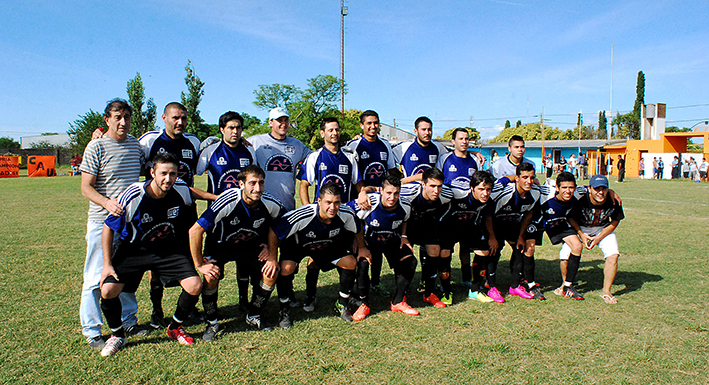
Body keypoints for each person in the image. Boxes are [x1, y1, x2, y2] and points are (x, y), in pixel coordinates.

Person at [98, 153, 202, 356]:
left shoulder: (180, 189)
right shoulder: (134, 195)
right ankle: (117, 335)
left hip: (167, 249)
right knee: (108, 290)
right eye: (163, 173)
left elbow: (194, 195)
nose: (168, 179)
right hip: (134, 249)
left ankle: (175, 328)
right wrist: (107, 265)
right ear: (152, 172)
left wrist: (220, 198)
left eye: (173, 174)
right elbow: (108, 227)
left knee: (195, 285)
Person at [188, 165, 286, 338]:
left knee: (271, 271)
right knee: (211, 276)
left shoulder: (270, 203)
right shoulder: (228, 200)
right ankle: (212, 322)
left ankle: (254, 314)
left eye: (261, 183)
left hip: (250, 245)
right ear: (241, 184)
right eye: (252, 183)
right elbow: (195, 231)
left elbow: (280, 226)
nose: (257, 188)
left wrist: (271, 251)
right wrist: (199, 264)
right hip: (220, 245)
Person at [139, 102, 212, 329]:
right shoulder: (149, 141)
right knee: (156, 258)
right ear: (164, 118)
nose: (179, 122)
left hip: (186, 206)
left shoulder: (194, 142)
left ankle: (190, 307)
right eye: (174, 118)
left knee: (189, 254)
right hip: (156, 206)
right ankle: (156, 310)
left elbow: (213, 148)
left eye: (183, 118)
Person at [79, 98, 144, 350]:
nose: (123, 122)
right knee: (96, 276)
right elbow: (86, 187)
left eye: (127, 117)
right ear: (107, 120)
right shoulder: (96, 147)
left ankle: (128, 321)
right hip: (101, 221)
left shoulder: (135, 145)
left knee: (125, 272)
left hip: (129, 223)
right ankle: (92, 330)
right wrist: (107, 203)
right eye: (117, 117)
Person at [270, 182, 369, 327]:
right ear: (319, 201)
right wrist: (272, 257)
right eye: (328, 202)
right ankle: (284, 310)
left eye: (336, 203)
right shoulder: (304, 215)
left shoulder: (345, 213)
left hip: (325, 243)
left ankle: (342, 303)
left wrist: (362, 247)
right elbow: (274, 231)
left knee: (350, 263)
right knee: (286, 268)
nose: (332, 207)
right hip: (298, 245)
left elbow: (357, 226)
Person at [346, 173, 420, 319]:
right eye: (388, 193)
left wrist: (404, 236)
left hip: (391, 241)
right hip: (369, 242)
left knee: (410, 261)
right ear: (381, 190)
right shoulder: (369, 202)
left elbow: (405, 219)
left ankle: (398, 301)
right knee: (363, 263)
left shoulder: (405, 205)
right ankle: (364, 303)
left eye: (396, 193)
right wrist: (359, 244)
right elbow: (348, 215)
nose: (392, 197)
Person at [345, 110, 398, 297]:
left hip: (382, 200)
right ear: (362, 125)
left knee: (378, 243)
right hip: (362, 201)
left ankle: (375, 283)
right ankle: (356, 286)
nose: (372, 126)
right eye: (368, 123)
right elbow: (351, 174)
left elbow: (391, 170)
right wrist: (362, 191)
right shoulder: (354, 145)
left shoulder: (385, 146)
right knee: (358, 242)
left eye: (375, 123)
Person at [487, 162, 551, 302]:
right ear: (517, 178)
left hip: (512, 224)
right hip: (495, 223)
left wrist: (521, 236)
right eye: (525, 177)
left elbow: (528, 214)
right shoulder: (505, 192)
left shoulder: (535, 192)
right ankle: (490, 286)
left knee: (519, 249)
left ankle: (515, 286)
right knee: (494, 250)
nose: (529, 181)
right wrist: (492, 236)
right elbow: (488, 214)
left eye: (532, 177)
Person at [562, 175, 624, 304]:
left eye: (604, 188)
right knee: (564, 255)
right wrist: (580, 234)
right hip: (581, 228)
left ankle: (606, 291)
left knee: (613, 255)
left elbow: (615, 221)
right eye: (597, 188)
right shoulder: (580, 198)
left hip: (602, 228)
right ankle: (565, 284)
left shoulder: (614, 200)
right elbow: (570, 217)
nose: (600, 192)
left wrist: (599, 238)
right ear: (589, 189)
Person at [438, 171, 497, 302]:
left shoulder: (489, 200)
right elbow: (437, 178)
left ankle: (475, 290)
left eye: (488, 189)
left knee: (484, 251)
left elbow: (487, 216)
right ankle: (446, 291)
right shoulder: (457, 191)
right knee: (444, 253)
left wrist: (492, 236)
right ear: (472, 188)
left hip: (469, 227)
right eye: (481, 189)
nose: (485, 193)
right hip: (449, 227)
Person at [435, 128, 482, 288]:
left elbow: (479, 184)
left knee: (465, 249)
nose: (464, 142)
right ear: (453, 141)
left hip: (469, 213)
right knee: (445, 250)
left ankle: (466, 278)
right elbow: (437, 179)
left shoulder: (475, 161)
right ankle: (444, 282)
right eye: (461, 138)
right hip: (448, 213)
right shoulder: (444, 159)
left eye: (466, 139)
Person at [400, 168, 452, 307]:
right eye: (432, 186)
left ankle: (428, 293)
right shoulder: (408, 192)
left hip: (427, 225)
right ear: (423, 184)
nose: (436, 190)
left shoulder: (447, 194)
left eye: (439, 186)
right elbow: (386, 190)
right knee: (406, 258)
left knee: (435, 250)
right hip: (406, 228)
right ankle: (401, 294)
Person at [249, 107, 311, 211]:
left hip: (287, 207)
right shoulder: (256, 142)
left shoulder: (297, 145)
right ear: (270, 122)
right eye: (279, 120)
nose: (283, 124)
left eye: (286, 120)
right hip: (262, 207)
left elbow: (317, 157)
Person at [540, 172, 586, 300]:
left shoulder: (578, 192)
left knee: (577, 246)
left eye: (571, 187)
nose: (568, 191)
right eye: (564, 187)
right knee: (528, 248)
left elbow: (594, 188)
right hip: (539, 223)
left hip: (559, 223)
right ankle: (524, 281)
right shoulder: (546, 194)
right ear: (557, 187)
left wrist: (611, 192)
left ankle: (567, 286)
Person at [196, 111, 256, 196]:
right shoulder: (210, 150)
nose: (235, 131)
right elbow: (197, 172)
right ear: (222, 129)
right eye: (231, 128)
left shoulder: (249, 150)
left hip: (243, 205)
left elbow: (254, 177)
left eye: (238, 128)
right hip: (217, 205)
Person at [391, 116, 449, 185]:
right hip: (409, 191)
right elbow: (389, 163)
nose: (427, 133)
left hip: (430, 192)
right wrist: (400, 178)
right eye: (423, 130)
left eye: (429, 129)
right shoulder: (403, 147)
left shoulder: (439, 147)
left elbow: (453, 157)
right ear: (416, 131)